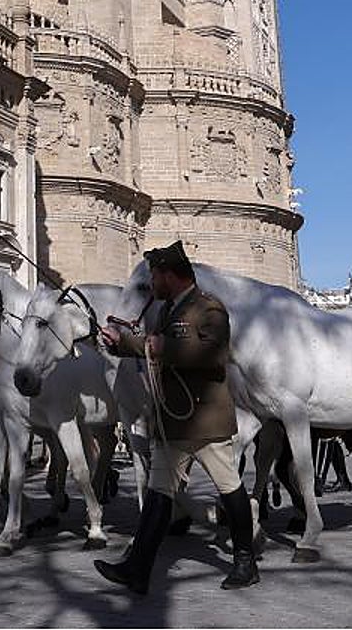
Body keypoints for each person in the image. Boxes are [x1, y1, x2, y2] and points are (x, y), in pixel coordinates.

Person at [96, 240, 259, 594]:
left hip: (204, 422)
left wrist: (159, 346)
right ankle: (137, 569)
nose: (151, 282)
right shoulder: (168, 310)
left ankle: (246, 561)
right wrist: (121, 343)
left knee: (230, 490)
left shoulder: (209, 308)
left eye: (154, 275)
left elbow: (213, 354)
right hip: (172, 422)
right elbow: (155, 348)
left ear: (169, 275)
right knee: (157, 495)